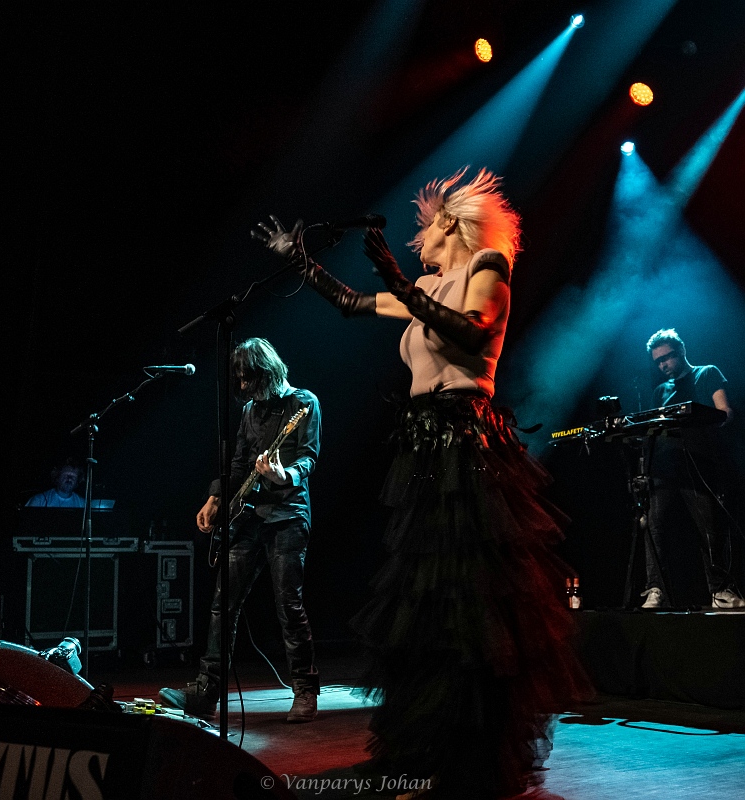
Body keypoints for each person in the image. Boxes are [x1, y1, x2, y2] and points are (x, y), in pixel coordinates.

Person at [252, 167, 590, 799]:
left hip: (467, 440)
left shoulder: (487, 267)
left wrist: (399, 281)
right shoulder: (425, 287)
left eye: (426, 230)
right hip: (425, 445)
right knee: (428, 603)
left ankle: (473, 754)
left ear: (452, 226)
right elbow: (352, 303)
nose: (417, 241)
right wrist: (299, 260)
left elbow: (473, 330)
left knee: (469, 599)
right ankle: (428, 746)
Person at [159, 337, 322, 723]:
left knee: (288, 605)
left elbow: (308, 458)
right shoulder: (250, 410)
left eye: (249, 378)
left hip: (287, 516)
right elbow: (239, 463)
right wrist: (215, 498)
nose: (244, 386)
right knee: (222, 604)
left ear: (268, 371)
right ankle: (206, 693)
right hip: (249, 518)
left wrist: (283, 474)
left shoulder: (303, 403)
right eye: (240, 380)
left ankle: (305, 690)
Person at [641, 328, 744, 610]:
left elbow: (725, 412)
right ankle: (655, 589)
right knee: (654, 528)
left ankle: (720, 591)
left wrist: (704, 418)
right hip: (663, 468)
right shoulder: (660, 391)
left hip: (697, 464)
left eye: (667, 358)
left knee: (709, 529)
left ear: (682, 351)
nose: (663, 365)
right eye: (658, 361)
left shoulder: (707, 373)